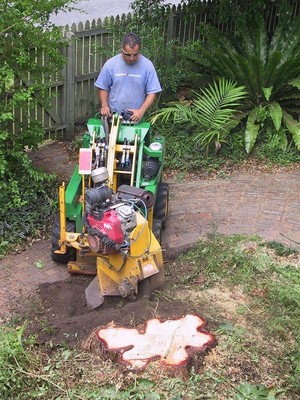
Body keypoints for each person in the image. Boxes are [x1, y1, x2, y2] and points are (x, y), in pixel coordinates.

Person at [94, 32, 162, 122]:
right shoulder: (111, 64)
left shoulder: (147, 66)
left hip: (136, 117)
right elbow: (103, 86)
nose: (131, 58)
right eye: (128, 55)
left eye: (135, 54)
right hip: (113, 117)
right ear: (122, 48)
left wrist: (141, 112)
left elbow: (153, 92)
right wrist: (104, 105)